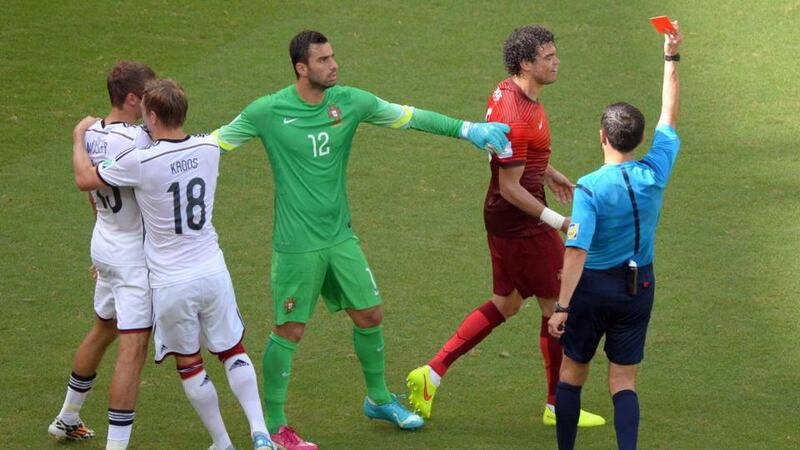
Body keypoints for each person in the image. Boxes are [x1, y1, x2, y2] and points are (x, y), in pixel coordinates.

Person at [212, 30, 510, 449]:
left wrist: (467, 129)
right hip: (297, 245)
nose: (333, 65)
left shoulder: (350, 102)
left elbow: (408, 116)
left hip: (339, 238)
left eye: (333, 57)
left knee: (370, 314)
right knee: (289, 330)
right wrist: (150, 159)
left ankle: (378, 398)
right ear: (302, 68)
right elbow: (213, 145)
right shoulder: (267, 111)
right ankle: (275, 427)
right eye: (323, 60)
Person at [406, 25, 604, 428]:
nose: (556, 61)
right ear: (526, 63)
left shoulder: (510, 92)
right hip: (521, 223)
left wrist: (549, 173)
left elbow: (516, 157)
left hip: (505, 219)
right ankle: (557, 405)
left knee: (507, 302)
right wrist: (559, 222)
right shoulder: (515, 112)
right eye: (547, 56)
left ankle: (432, 373)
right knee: (560, 307)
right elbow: (509, 186)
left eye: (554, 53)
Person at [71, 79, 276, 450]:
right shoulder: (210, 146)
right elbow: (219, 133)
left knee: (191, 363)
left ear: (150, 115)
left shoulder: (139, 160)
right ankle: (259, 432)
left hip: (170, 281)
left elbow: (86, 179)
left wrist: (79, 137)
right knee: (233, 350)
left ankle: (222, 443)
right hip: (212, 269)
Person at [547, 21, 683, 450]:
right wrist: (671, 56)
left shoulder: (588, 188)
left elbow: (576, 251)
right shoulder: (655, 171)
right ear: (642, 139)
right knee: (623, 379)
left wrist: (562, 306)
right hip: (639, 286)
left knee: (573, 372)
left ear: (602, 136)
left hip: (592, 290)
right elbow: (669, 114)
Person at [49, 61, 155, 449]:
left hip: (105, 241)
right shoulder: (139, 141)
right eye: (148, 96)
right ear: (131, 98)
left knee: (104, 328)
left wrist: (77, 138)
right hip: (132, 254)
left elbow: (93, 193)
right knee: (134, 346)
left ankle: (67, 416)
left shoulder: (91, 131)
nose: (153, 103)